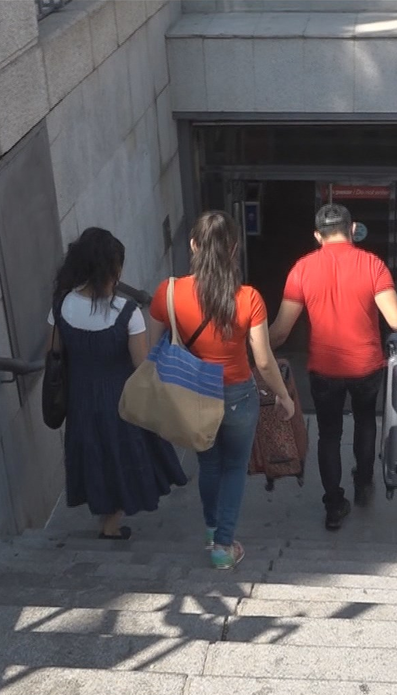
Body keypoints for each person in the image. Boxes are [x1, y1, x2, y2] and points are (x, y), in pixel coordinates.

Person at [150, 210, 294, 569]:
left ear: (194, 245)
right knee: (234, 468)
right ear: (233, 249)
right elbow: (263, 361)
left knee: (209, 464)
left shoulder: (167, 292)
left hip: (193, 393)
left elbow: (153, 349)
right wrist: (284, 396)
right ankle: (223, 545)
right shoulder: (248, 298)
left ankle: (213, 531)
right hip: (236, 394)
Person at [268, 203, 397, 531]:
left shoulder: (302, 269)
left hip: (324, 369)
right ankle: (364, 483)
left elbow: (280, 331)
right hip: (366, 366)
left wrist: (256, 350)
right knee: (366, 423)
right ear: (352, 230)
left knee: (329, 435)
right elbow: (395, 320)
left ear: (316, 236)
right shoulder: (372, 265)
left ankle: (334, 504)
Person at [48, 227, 187, 540]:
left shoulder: (61, 306)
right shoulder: (127, 312)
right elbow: (140, 365)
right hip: (120, 398)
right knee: (120, 456)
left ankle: (105, 520)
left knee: (95, 455)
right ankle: (110, 526)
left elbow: (54, 352)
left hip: (80, 397)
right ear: (113, 269)